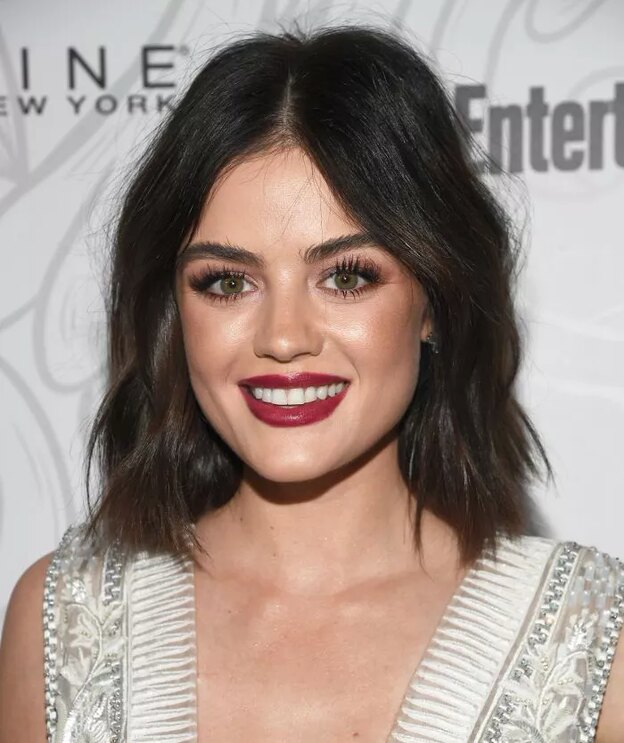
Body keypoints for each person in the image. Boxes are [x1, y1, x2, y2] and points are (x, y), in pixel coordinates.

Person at [0, 22, 622, 743]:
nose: (284, 336)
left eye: (347, 277)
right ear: (175, 312)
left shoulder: (589, 643)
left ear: (434, 303)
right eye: (227, 282)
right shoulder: (61, 623)